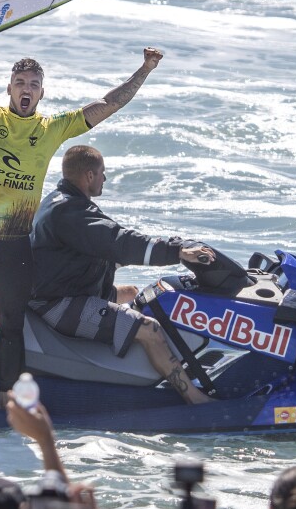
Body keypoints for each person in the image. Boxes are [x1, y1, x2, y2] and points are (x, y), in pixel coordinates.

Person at [0, 48, 165, 405]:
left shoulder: (50, 130)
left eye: (34, 84)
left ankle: (8, 402)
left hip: (13, 244)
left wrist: (144, 69)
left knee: (11, 323)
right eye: (20, 82)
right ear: (9, 88)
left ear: (41, 94)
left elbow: (107, 104)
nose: (27, 88)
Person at [28, 145, 215, 404]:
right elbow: (119, 241)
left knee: (133, 294)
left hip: (64, 286)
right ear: (90, 176)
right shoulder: (71, 213)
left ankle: (145, 364)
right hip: (59, 303)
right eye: (102, 172)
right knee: (150, 328)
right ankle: (195, 399)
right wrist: (178, 252)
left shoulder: (61, 201)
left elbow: (93, 250)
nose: (105, 178)